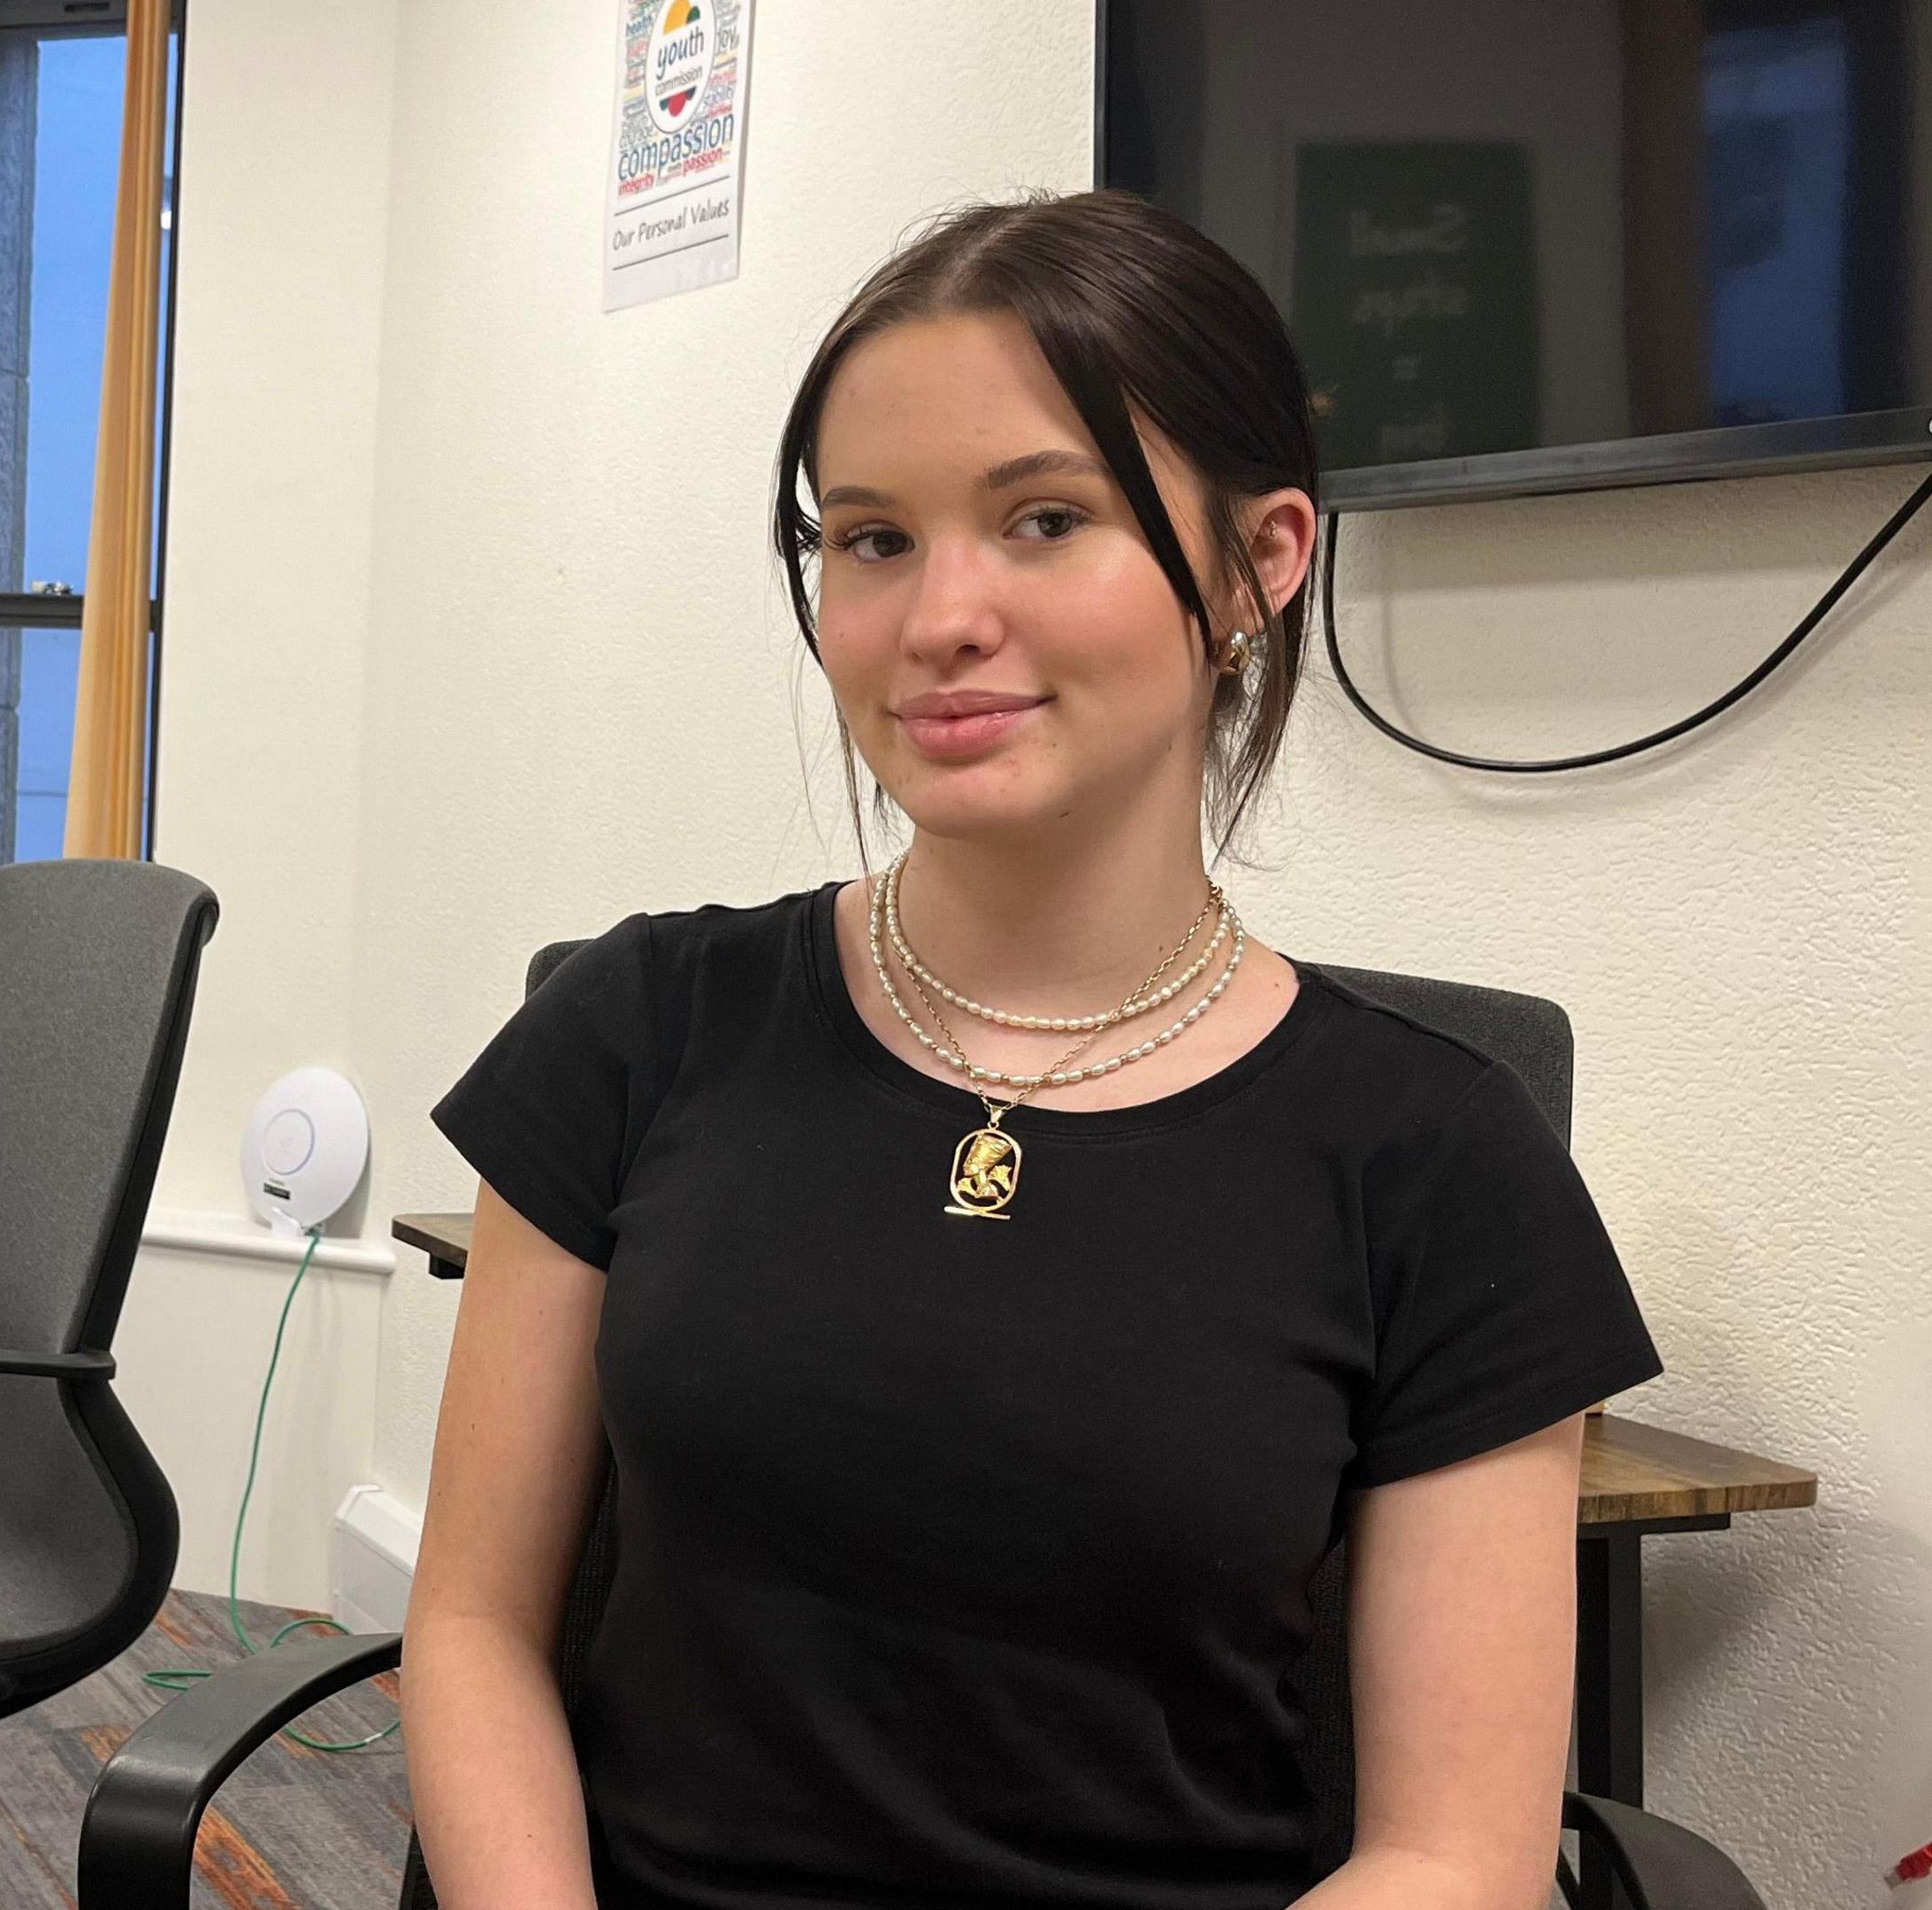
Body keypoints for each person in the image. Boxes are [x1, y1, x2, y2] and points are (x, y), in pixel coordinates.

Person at [406, 189, 1661, 1910]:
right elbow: (475, 1628)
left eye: (1045, 518)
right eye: (871, 538)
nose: (938, 618)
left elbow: (1455, 1856)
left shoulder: (1439, 1166)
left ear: (1260, 561)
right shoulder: (631, 1031)